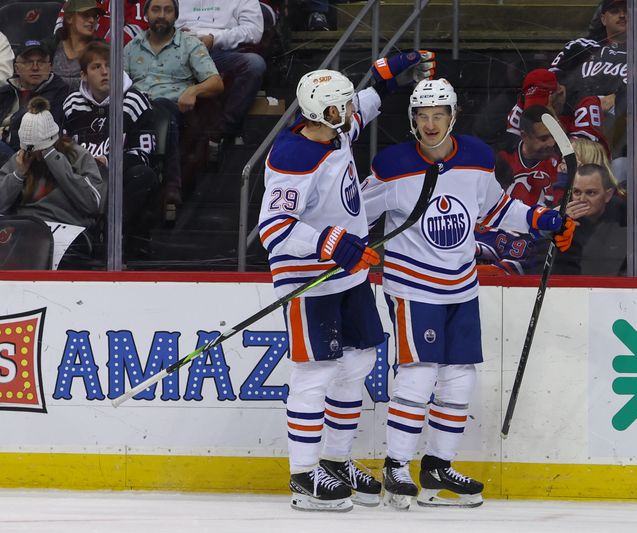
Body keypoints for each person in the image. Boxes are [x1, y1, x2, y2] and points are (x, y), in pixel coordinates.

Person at [361, 78, 575, 510]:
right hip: (412, 286)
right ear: (412, 120)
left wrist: (541, 220)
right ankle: (397, 468)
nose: (431, 124)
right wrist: (345, 244)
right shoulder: (392, 164)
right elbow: (355, 211)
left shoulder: (476, 156)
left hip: (461, 285)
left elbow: (495, 209)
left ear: (452, 116)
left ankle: (438, 467)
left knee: (460, 377)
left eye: (439, 115)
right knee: (419, 374)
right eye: (423, 116)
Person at [257, 53, 434, 512]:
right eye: (343, 108)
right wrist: (333, 243)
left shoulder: (336, 132)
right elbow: (274, 227)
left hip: (347, 273)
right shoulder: (292, 156)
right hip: (309, 279)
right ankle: (302, 474)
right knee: (315, 370)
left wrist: (388, 78)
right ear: (324, 113)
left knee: (360, 360)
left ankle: (335, 460)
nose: (352, 113)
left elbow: (368, 105)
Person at [124, 0, 224, 209]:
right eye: (156, 9)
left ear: (176, 15)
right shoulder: (131, 47)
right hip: (135, 108)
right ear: (146, 14)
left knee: (161, 110)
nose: (162, 15)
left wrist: (193, 90)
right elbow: (119, 84)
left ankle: (171, 186)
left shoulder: (189, 44)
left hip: (174, 109)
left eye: (168, 10)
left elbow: (216, 82)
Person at [62, 41, 158, 247]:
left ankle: (111, 236)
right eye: (96, 67)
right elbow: (63, 147)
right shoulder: (72, 103)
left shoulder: (135, 100)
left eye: (109, 65)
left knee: (143, 175)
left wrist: (108, 161)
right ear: (83, 75)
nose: (105, 72)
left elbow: (145, 152)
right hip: (81, 178)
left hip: (118, 176)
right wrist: (84, 164)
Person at [0, 97, 105, 264]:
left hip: (67, 231)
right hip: (24, 230)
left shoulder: (78, 156)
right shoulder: (21, 158)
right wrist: (18, 175)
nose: (35, 154)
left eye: (40, 149)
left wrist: (53, 158)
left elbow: (92, 203)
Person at [176, 0, 267, 146]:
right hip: (181, 50)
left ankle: (222, 132)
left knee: (254, 64)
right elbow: (163, 19)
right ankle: (171, 133)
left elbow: (254, 31)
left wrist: (215, 39)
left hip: (222, 51)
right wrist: (176, 35)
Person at [557, 163, 637, 275]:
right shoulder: (559, 219)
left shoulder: (628, 219)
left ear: (608, 195)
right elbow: (545, 267)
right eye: (577, 192)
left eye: (591, 193)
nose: (582, 199)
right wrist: (558, 227)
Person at [0, 41, 70, 165]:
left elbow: (47, 134)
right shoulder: (5, 92)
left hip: (31, 158)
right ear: (16, 68)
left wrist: (7, 135)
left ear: (50, 67)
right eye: (28, 62)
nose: (35, 67)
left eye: (41, 62)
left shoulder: (60, 92)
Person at [496, 105, 561, 206]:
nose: (551, 143)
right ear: (524, 136)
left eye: (553, 135)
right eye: (543, 139)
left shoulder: (561, 162)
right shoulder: (502, 160)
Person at [51, 0, 106, 93]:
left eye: (94, 16)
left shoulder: (102, 50)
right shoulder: (51, 47)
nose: (92, 20)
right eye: (86, 15)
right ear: (69, 18)